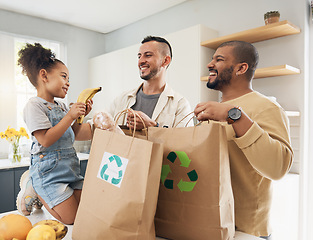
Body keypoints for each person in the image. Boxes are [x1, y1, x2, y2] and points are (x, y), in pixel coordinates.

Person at [194, 41, 293, 239]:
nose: (209, 64)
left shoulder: (267, 108)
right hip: (210, 224)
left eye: (219, 59)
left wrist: (233, 115)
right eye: (212, 59)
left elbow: (278, 167)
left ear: (241, 68)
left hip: (246, 232)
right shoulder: (211, 109)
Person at [16, 43, 93, 224]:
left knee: (88, 210)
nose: (68, 82)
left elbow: (72, 135)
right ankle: (33, 185)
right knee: (71, 219)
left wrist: (80, 118)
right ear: (44, 75)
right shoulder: (33, 105)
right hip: (49, 173)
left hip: (71, 170)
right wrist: (70, 115)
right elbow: (46, 139)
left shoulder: (62, 106)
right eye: (64, 76)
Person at [108, 36, 193, 129]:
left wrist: (153, 126)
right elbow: (94, 128)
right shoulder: (122, 99)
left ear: (165, 61)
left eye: (148, 55)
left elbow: (184, 141)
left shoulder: (180, 104)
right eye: (139, 56)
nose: (141, 61)